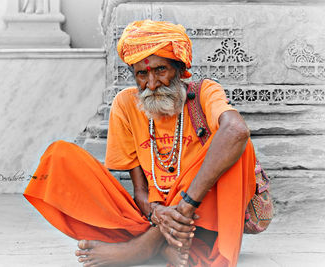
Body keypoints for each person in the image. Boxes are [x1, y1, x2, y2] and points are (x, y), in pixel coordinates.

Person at [24, 20, 257, 267]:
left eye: (161, 70)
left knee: (235, 142)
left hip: (199, 213)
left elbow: (236, 130)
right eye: (142, 74)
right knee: (58, 156)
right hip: (153, 218)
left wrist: (186, 206)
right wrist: (158, 214)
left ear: (179, 69)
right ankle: (163, 242)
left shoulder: (204, 92)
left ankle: (144, 247)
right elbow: (141, 192)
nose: (152, 84)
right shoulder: (126, 103)